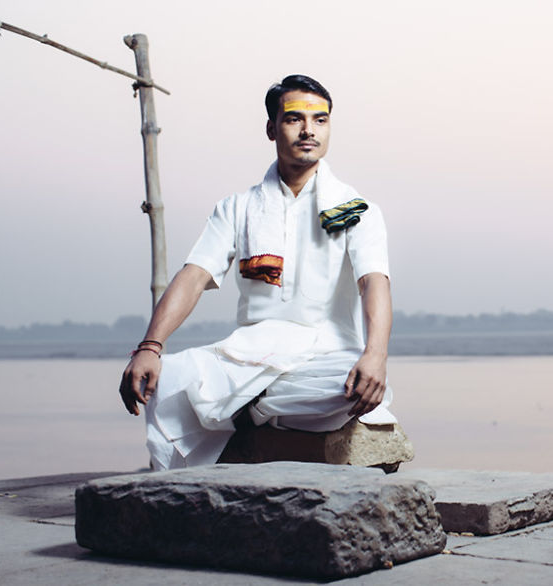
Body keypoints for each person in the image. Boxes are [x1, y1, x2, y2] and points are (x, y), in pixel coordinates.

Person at [118, 74, 396, 470]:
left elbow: (374, 282)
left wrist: (376, 355)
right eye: (294, 119)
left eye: (320, 120)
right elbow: (194, 275)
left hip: (327, 356)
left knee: (351, 389)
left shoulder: (356, 208)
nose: (308, 131)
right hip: (250, 354)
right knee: (165, 382)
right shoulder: (238, 208)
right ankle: (250, 411)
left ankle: (245, 412)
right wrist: (150, 347)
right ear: (271, 128)